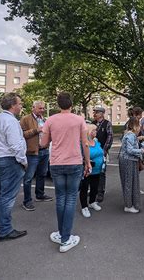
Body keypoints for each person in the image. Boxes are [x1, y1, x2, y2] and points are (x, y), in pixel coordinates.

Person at [41, 92, 92, 253]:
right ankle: (66, 238)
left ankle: (62, 233)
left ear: (58, 105)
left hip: (56, 163)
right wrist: (88, 162)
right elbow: (85, 143)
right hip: (74, 162)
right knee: (70, 199)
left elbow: (43, 143)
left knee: (60, 198)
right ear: (71, 104)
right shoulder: (79, 120)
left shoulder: (50, 120)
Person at [0, 92, 28, 241]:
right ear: (12, 105)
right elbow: (16, 145)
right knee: (7, 196)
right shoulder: (11, 122)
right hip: (9, 161)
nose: (21, 106)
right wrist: (23, 162)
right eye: (20, 104)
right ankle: (5, 230)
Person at [20, 101, 53, 211]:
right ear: (33, 108)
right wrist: (36, 130)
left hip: (44, 151)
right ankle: (27, 201)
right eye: (40, 108)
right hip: (32, 152)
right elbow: (21, 134)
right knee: (28, 178)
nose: (42, 110)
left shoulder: (44, 119)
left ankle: (40, 195)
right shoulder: (26, 119)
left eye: (43, 108)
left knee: (42, 174)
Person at [118, 117, 144, 213]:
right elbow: (129, 150)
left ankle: (130, 204)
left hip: (129, 160)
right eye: (139, 124)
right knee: (129, 183)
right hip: (128, 161)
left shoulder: (130, 134)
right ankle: (128, 205)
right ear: (135, 125)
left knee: (131, 182)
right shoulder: (130, 135)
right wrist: (141, 150)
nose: (140, 126)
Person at [79, 124, 104, 218]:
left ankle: (92, 202)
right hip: (87, 169)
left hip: (97, 170)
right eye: (94, 130)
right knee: (84, 188)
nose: (96, 132)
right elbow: (80, 156)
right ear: (89, 132)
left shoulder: (96, 141)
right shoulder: (83, 143)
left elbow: (101, 152)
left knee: (95, 187)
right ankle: (84, 207)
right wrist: (86, 161)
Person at [92, 106, 113, 203]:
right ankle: (93, 190)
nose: (94, 114)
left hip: (102, 152)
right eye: (94, 112)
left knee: (101, 173)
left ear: (101, 113)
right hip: (92, 152)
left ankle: (100, 193)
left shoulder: (107, 124)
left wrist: (104, 150)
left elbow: (110, 137)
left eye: (96, 112)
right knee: (92, 172)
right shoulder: (92, 124)